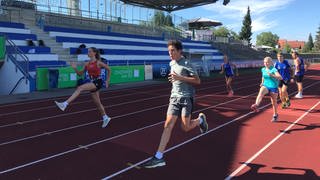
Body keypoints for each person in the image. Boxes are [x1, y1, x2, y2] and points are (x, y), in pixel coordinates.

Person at [142, 40, 208, 168]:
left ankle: (200, 120)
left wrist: (180, 78)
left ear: (179, 51)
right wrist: (174, 80)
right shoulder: (172, 63)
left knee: (185, 128)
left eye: (172, 51)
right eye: (168, 51)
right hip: (174, 98)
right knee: (168, 125)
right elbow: (175, 78)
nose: (170, 53)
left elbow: (197, 81)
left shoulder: (187, 64)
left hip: (186, 98)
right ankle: (159, 157)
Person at [54, 47, 112, 128]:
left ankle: (65, 104)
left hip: (98, 82)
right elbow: (80, 74)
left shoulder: (98, 63)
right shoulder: (87, 64)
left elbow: (109, 69)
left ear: (94, 53)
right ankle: (105, 117)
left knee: (80, 88)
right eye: (88, 51)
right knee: (98, 103)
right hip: (92, 82)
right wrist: (74, 68)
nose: (87, 53)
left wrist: (107, 80)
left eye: (89, 51)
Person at [251, 57, 282, 122]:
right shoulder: (263, 69)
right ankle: (256, 105)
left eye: (267, 62)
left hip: (273, 87)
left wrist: (272, 75)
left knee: (274, 102)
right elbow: (263, 76)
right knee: (261, 92)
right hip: (266, 85)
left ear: (270, 62)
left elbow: (280, 77)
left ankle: (275, 115)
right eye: (264, 62)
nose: (266, 63)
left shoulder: (274, 69)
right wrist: (262, 82)